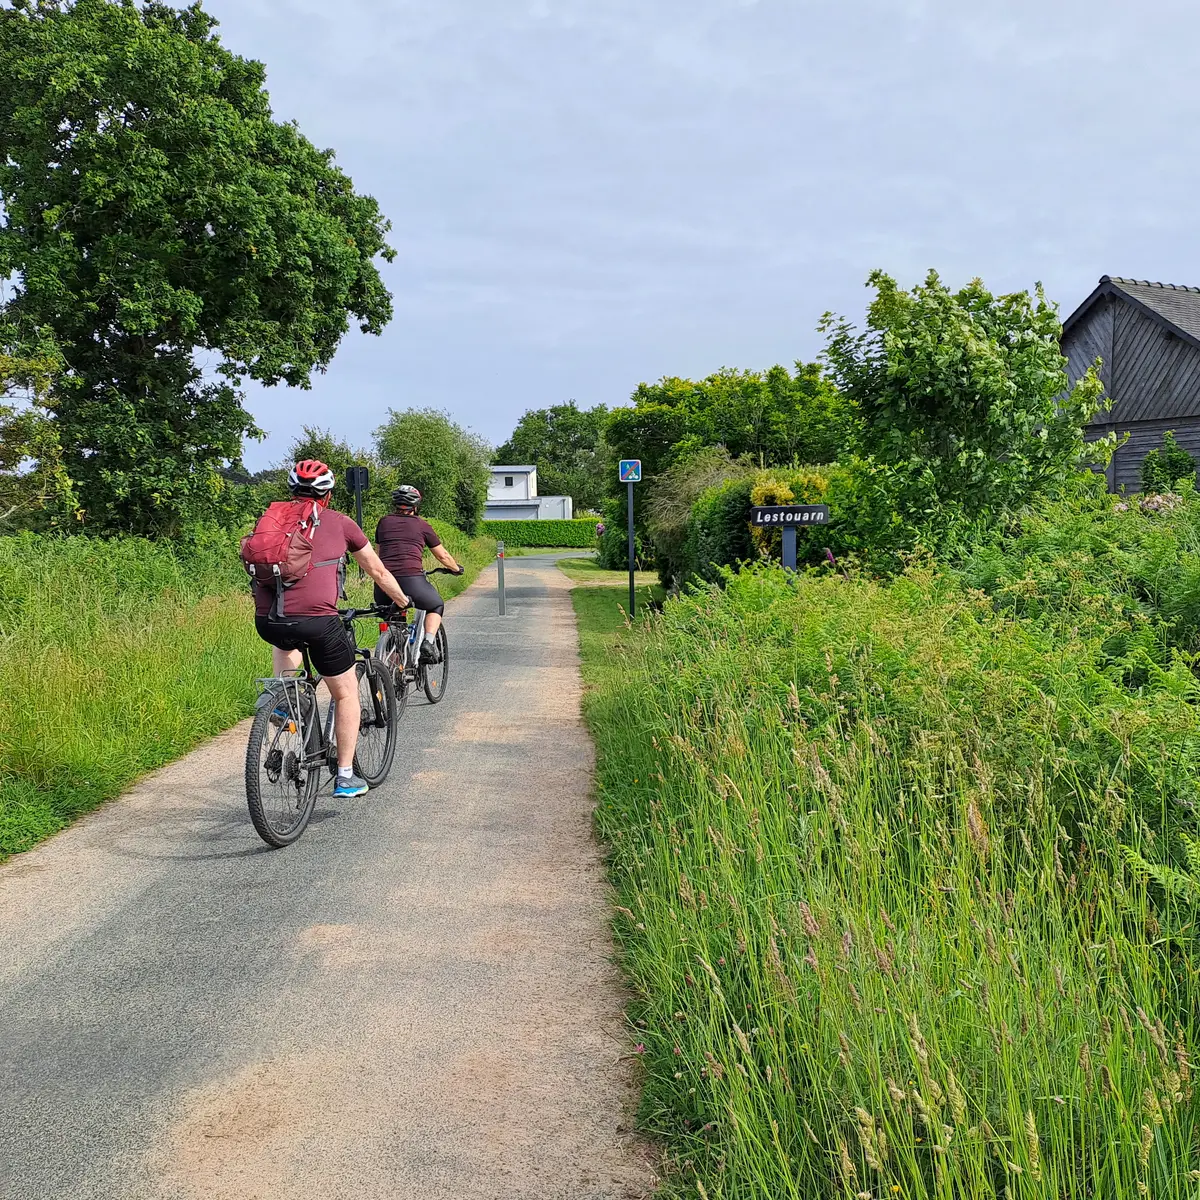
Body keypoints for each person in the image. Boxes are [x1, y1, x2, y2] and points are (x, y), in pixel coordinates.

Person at [253, 459, 412, 799]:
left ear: (292, 490)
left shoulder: (270, 521)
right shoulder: (341, 523)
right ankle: (344, 775)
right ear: (327, 495)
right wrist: (402, 601)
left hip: (268, 620)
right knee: (345, 693)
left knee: (286, 636)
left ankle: (285, 702)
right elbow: (379, 572)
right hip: (318, 621)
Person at [374, 484, 464, 663]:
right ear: (415, 506)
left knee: (392, 617)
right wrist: (456, 569)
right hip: (412, 580)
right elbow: (442, 555)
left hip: (384, 583)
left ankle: (391, 670)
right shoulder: (422, 525)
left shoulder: (383, 522)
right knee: (436, 605)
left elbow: (377, 554)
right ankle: (428, 643)